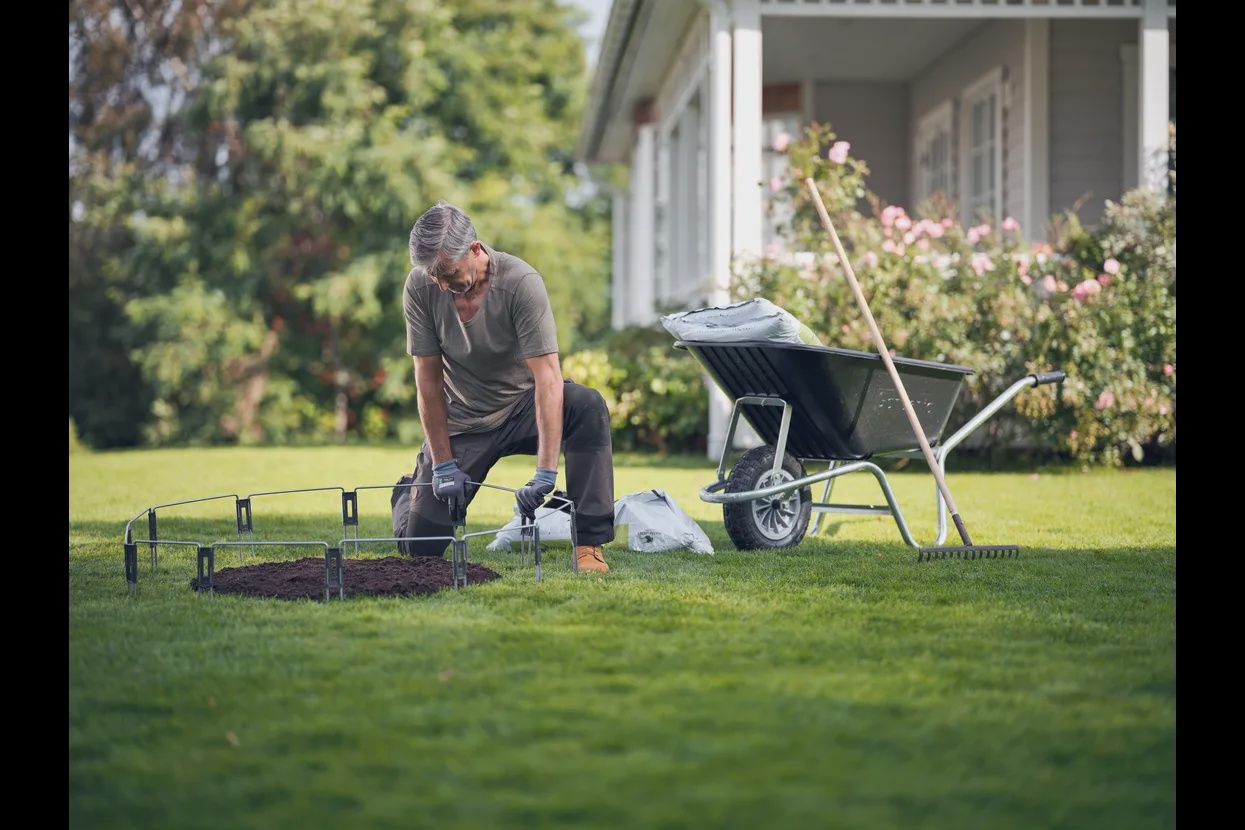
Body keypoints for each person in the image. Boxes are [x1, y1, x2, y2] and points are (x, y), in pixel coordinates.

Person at [389, 202, 614, 573]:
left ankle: (589, 545)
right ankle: (408, 491)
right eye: (434, 277)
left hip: (523, 408)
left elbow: (548, 379)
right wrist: (443, 465)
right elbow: (427, 379)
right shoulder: (420, 288)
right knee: (419, 549)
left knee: (586, 406)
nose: (442, 285)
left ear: (474, 250)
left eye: (448, 273)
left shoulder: (520, 283)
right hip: (465, 419)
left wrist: (545, 474)